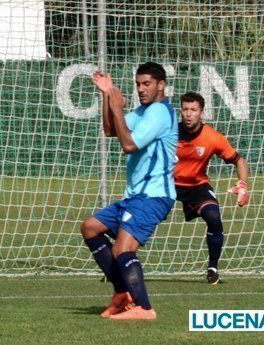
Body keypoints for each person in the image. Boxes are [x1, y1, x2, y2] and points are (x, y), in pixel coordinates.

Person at [81, 62, 178, 320]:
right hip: (136, 196)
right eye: (137, 84)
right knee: (91, 227)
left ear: (161, 84)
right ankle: (123, 294)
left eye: (146, 84)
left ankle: (144, 308)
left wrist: (116, 107)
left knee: (122, 250)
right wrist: (106, 95)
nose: (141, 89)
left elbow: (129, 144)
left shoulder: (159, 112)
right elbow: (111, 129)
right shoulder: (145, 111)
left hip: (154, 196)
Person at [175, 91, 249, 285]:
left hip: (196, 186)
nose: (188, 114)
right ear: (180, 112)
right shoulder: (169, 132)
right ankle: (120, 261)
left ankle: (213, 269)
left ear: (202, 113)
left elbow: (239, 160)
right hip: (167, 184)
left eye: (193, 110)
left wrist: (242, 185)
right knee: (144, 218)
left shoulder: (212, 137)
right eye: (185, 109)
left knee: (214, 216)